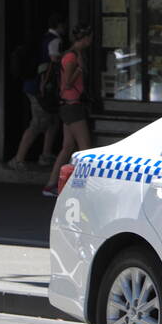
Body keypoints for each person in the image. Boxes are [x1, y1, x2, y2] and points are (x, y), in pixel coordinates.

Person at [8, 13, 64, 170]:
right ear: (59, 26)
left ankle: (46, 154)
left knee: (52, 120)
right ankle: (18, 159)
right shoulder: (55, 40)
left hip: (33, 84)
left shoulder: (42, 38)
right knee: (38, 123)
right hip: (41, 87)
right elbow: (54, 59)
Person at [43, 24, 93, 197]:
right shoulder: (71, 57)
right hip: (72, 106)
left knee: (68, 147)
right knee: (85, 148)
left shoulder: (74, 54)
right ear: (85, 39)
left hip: (68, 105)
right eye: (90, 38)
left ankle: (51, 184)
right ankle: (84, 186)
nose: (91, 41)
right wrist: (79, 69)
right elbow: (68, 83)